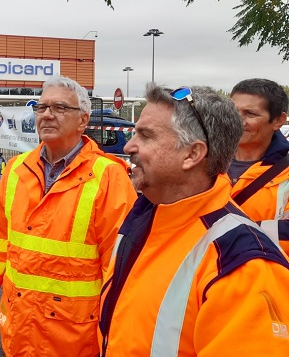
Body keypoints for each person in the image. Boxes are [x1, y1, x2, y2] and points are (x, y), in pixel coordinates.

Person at [98, 84, 289, 356]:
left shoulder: (243, 265)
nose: (129, 145)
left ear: (192, 154)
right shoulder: (144, 215)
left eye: (146, 135)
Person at [0, 75, 137, 357]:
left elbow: (120, 266)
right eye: (41, 107)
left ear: (83, 120)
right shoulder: (16, 169)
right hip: (19, 326)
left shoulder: (109, 176)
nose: (46, 114)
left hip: (75, 335)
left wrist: (116, 333)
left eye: (59, 108)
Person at [227, 78, 289, 254]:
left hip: (266, 278)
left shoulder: (285, 174)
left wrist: (225, 235)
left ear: (278, 121)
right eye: (233, 111)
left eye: (250, 114)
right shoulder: (204, 164)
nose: (238, 121)